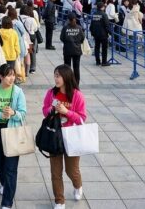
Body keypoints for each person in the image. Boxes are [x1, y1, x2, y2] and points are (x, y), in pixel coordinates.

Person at [0, 63, 27, 209]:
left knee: (11, 168)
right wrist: (0, 115)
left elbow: (23, 113)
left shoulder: (18, 92)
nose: (12, 78)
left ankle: (7, 203)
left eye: (13, 75)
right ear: (1, 76)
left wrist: (13, 113)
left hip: (12, 131)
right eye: (8, 75)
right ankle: (4, 183)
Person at [43, 65, 86, 209]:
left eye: (59, 76)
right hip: (54, 135)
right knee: (55, 172)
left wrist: (67, 112)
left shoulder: (77, 95)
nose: (56, 79)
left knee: (71, 170)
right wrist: (52, 110)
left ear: (66, 77)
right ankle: (59, 201)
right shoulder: (51, 93)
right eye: (55, 75)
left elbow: (81, 119)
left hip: (72, 136)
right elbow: (44, 110)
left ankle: (78, 185)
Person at [60, 13, 85, 84]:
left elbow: (61, 38)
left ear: (68, 20)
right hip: (77, 50)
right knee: (76, 68)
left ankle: (67, 82)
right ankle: (76, 83)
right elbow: (82, 38)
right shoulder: (79, 28)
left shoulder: (65, 28)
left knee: (67, 68)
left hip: (67, 50)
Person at [89, 1, 110, 67]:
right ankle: (104, 62)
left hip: (96, 34)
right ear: (102, 7)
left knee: (97, 47)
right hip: (103, 34)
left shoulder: (94, 14)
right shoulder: (104, 14)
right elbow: (107, 25)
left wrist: (92, 32)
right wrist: (110, 33)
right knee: (104, 48)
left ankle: (97, 61)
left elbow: (91, 25)